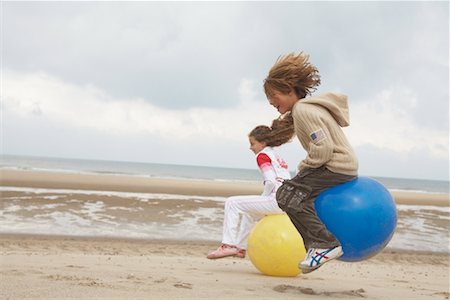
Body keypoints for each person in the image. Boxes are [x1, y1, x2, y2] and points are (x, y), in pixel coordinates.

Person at [263, 52, 358, 273]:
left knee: (286, 195)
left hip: (335, 166)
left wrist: (303, 168)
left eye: (273, 96)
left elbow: (323, 149)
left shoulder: (303, 110)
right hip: (340, 165)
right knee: (291, 194)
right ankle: (316, 246)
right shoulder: (304, 109)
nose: (271, 102)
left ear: (288, 89)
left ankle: (324, 244)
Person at [207, 123, 292, 259]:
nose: (250, 147)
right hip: (287, 203)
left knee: (232, 202)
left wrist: (265, 198)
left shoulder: (262, 156)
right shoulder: (276, 157)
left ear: (263, 143)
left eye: (252, 143)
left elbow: (270, 181)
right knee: (249, 213)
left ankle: (227, 245)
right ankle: (240, 248)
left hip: (276, 201)